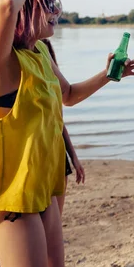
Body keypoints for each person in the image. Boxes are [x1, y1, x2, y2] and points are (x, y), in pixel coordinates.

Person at [0, 0, 134, 267]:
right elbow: (5, 5)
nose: (56, 11)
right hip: (14, 195)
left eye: (54, 2)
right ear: (24, 6)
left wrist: (108, 75)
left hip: (45, 187)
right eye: (46, 3)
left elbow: (69, 95)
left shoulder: (41, 52)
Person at [42, 39, 86, 216]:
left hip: (58, 156)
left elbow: (59, 122)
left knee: (55, 218)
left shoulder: (53, 85)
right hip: (39, 155)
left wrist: (74, 157)